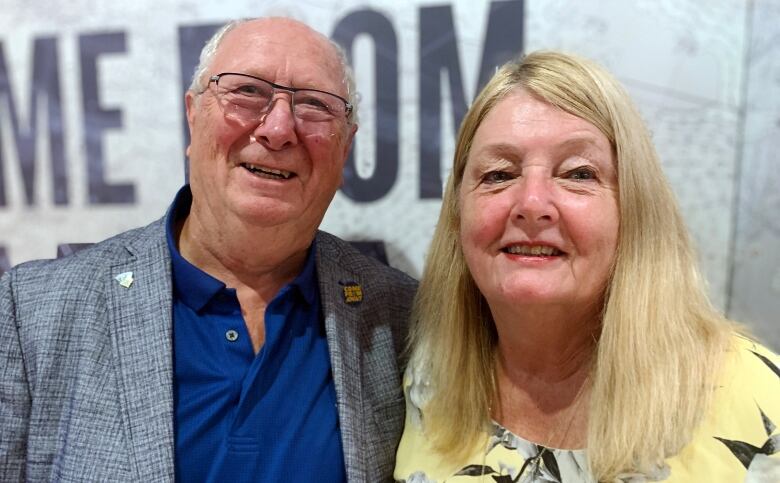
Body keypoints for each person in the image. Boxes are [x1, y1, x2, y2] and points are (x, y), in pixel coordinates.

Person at [0, 17, 416, 482]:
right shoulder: (28, 312)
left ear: (345, 148)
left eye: (315, 105)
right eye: (247, 92)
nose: (279, 129)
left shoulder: (402, 316)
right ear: (193, 114)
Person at [394, 51, 779, 482]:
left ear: (634, 207)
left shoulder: (763, 408)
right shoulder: (425, 380)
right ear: (457, 213)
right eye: (499, 174)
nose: (532, 204)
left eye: (578, 173)